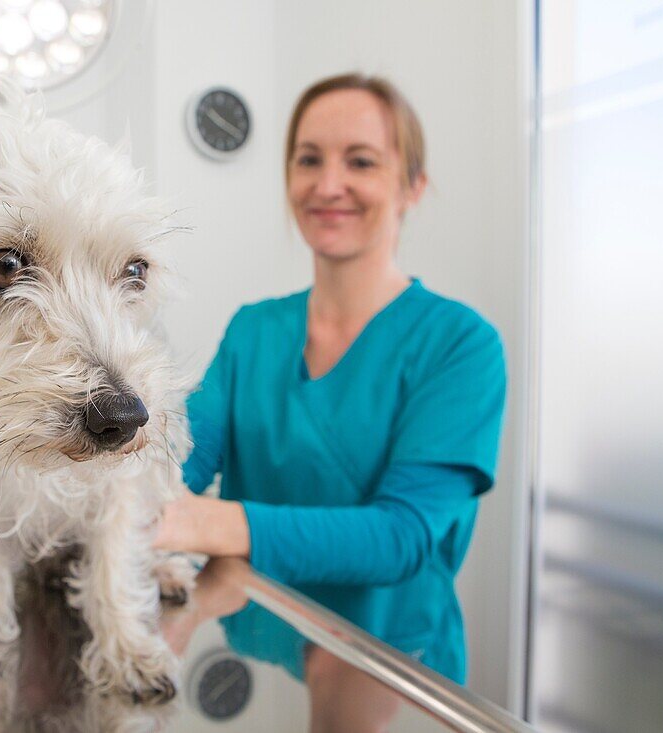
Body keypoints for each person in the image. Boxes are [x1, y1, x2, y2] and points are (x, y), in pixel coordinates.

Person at [153, 73, 507, 732]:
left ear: (412, 187)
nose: (328, 184)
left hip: (389, 662)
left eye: (362, 161)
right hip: (267, 623)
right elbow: (179, 462)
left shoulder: (460, 345)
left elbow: (400, 535)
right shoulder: (254, 330)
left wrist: (200, 524)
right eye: (309, 158)